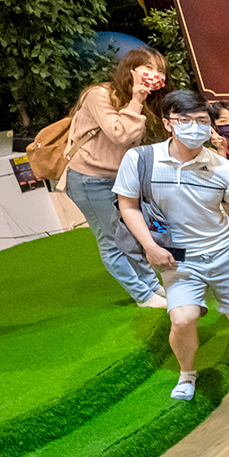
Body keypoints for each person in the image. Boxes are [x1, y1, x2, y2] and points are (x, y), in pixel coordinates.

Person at [114, 89, 229, 399]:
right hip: (178, 257)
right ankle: (186, 373)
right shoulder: (141, 159)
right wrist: (150, 246)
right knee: (183, 317)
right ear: (168, 123)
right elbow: (128, 205)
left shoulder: (222, 167)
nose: (195, 127)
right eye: (185, 120)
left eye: (202, 121)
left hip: (225, 250)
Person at [64, 47, 169, 308]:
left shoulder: (141, 101)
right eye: (148, 67)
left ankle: (151, 284)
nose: (155, 74)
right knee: (112, 240)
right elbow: (120, 134)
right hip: (90, 179)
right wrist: (136, 99)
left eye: (159, 70)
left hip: (121, 179)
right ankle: (142, 295)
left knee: (134, 232)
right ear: (131, 69)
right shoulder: (99, 95)